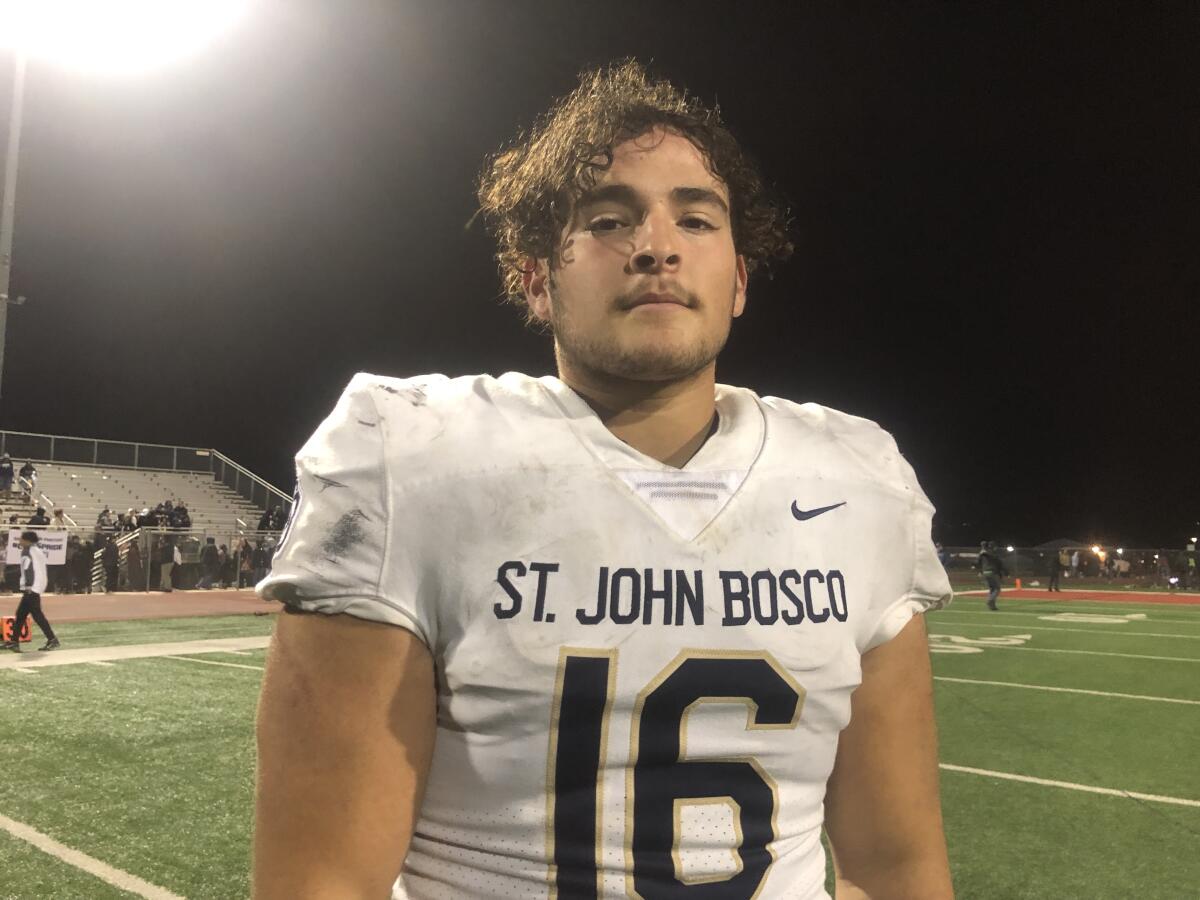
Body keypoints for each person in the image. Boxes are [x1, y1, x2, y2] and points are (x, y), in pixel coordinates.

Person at [254, 60, 954, 900]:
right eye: (610, 219)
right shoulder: (412, 460)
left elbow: (895, 867)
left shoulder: (857, 480)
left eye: (697, 219)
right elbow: (324, 883)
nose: (657, 245)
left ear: (738, 281)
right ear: (537, 278)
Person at [1, 531, 60, 652]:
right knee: (22, 614)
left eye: (22, 539)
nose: (20, 541)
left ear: (28, 541)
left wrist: (28, 585)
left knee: (36, 615)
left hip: (31, 588)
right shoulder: (38, 551)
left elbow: (29, 569)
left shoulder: (27, 551)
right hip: (37, 586)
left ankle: (52, 639)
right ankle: (14, 641)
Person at [976, 540, 1006, 610]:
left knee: (992, 589)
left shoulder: (983, 553)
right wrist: (1004, 572)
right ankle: (990, 600)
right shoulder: (994, 554)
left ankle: (992, 605)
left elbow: (978, 562)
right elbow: (999, 564)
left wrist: (980, 571)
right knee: (997, 589)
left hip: (985, 572)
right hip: (993, 572)